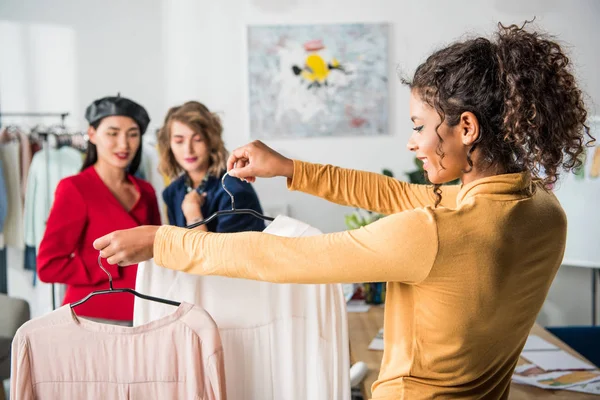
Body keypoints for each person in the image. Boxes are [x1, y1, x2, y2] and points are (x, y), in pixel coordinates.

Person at [94, 23, 593, 398]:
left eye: (420, 126)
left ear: (466, 128)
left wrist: (163, 240)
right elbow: (394, 194)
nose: (412, 142)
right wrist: (290, 168)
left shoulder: (434, 232)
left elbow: (283, 258)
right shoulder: (543, 210)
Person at [38, 95, 161, 325]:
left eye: (132, 134)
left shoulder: (146, 191)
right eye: (113, 133)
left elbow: (157, 252)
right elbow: (48, 266)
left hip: (145, 313)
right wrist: (109, 266)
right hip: (90, 316)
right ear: (92, 134)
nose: (124, 144)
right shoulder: (74, 188)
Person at [158, 101, 264, 232]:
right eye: (179, 141)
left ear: (211, 141)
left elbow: (224, 253)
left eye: (197, 140)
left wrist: (194, 216)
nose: (188, 150)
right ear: (169, 145)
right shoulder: (172, 192)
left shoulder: (234, 191)